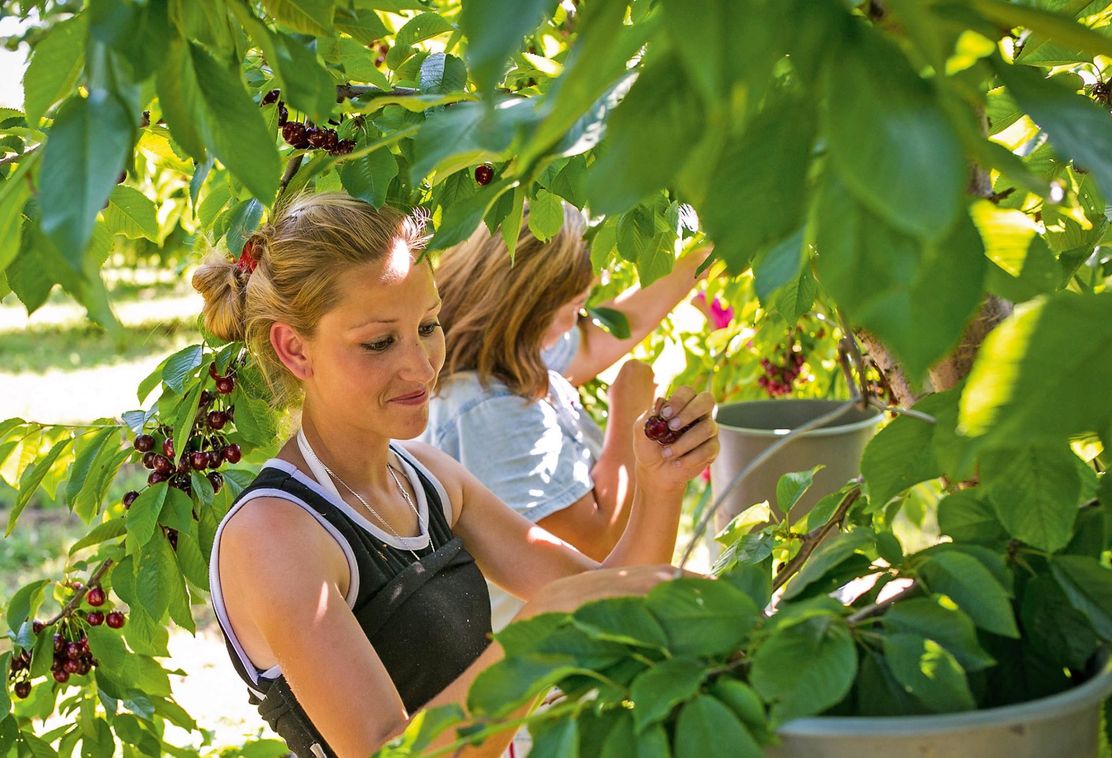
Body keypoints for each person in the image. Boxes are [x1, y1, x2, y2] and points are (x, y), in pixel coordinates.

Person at [194, 193, 719, 758]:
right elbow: (383, 751)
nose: (421, 366)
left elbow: (611, 604)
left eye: (427, 326)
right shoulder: (274, 536)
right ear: (295, 349)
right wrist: (539, 626)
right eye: (378, 342)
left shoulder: (428, 480)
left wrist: (660, 481)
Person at [423, 203, 708, 628]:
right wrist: (629, 409)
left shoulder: (511, 357)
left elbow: (612, 331)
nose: (579, 321)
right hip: (541, 671)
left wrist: (708, 250)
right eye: (575, 306)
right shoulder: (489, 414)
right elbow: (599, 551)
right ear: (531, 306)